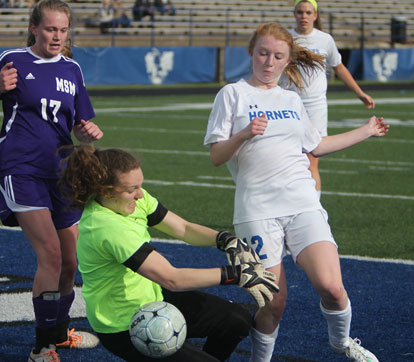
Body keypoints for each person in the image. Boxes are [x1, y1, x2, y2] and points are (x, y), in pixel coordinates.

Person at [204, 22, 389, 362]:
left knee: (333, 288)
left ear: (287, 61)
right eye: (263, 53)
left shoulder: (291, 98)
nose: (269, 62)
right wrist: (243, 134)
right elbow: (216, 156)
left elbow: (315, 145)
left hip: (302, 202)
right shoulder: (232, 94)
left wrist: (365, 130)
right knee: (272, 303)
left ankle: (342, 343)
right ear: (251, 53)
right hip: (256, 210)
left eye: (278, 56)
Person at [58, 145, 280, 362]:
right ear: (105, 191)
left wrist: (224, 239)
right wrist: (237, 274)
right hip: (123, 324)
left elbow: (182, 228)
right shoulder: (106, 227)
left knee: (236, 320)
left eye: (140, 186)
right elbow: (172, 279)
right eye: (130, 190)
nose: (139, 194)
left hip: (151, 299)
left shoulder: (132, 201)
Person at [0, 0, 104, 361]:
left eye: (62, 29)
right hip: (20, 167)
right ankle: (40, 347)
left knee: (71, 263)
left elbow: (80, 124)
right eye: (49, 29)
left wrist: (88, 131)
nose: (57, 36)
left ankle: (59, 334)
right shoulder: (11, 58)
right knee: (51, 254)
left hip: (61, 171)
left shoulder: (72, 69)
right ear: (34, 28)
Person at [280, 0, 375, 199]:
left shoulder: (325, 40)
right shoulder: (285, 39)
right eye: (299, 12)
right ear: (294, 14)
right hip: (287, 107)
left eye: (308, 12)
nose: (303, 16)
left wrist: (360, 93)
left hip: (315, 108)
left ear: (315, 15)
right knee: (285, 159)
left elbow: (338, 67)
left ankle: (315, 208)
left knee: (312, 158)